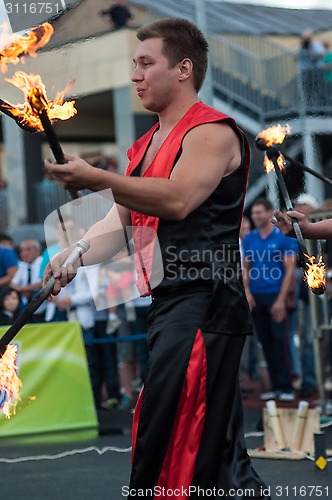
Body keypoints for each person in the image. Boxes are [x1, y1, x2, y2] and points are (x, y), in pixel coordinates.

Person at [43, 18, 269, 497]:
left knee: (172, 436)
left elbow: (178, 199)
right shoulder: (143, 147)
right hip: (168, 305)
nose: (135, 75)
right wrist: (73, 253)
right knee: (215, 447)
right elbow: (119, 226)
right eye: (134, 64)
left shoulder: (212, 132)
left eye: (146, 63)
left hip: (207, 301)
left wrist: (100, 178)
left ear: (183, 68)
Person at [242, 198, 297, 401]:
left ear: (269, 213)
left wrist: (281, 300)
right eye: (253, 213)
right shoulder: (249, 238)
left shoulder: (283, 236)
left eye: (259, 212)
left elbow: (290, 270)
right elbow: (245, 267)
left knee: (279, 340)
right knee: (265, 342)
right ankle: (275, 386)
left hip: (276, 294)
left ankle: (287, 387)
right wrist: (246, 291)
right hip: (257, 296)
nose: (255, 216)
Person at [11, 239, 46, 323]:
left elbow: (43, 282)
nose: (24, 253)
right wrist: (23, 290)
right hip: (26, 308)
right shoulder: (22, 265)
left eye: (28, 249)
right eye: (21, 251)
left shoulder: (44, 262)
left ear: (38, 251)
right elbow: (12, 284)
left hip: (44, 307)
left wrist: (23, 289)